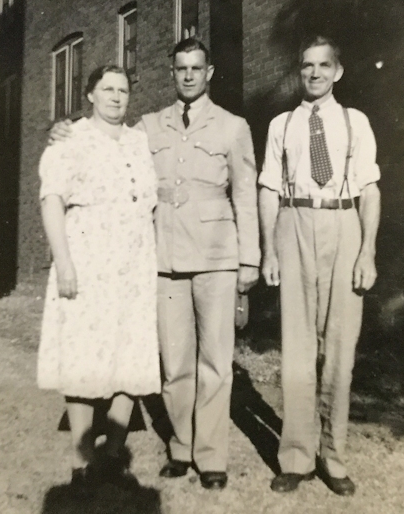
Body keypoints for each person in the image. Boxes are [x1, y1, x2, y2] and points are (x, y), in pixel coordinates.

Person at [49, 38, 261, 490]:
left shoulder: (233, 126)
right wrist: (59, 128)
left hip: (217, 257)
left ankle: (212, 457)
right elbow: (101, 131)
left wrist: (250, 259)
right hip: (163, 259)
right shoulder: (148, 125)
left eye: (196, 67)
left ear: (210, 72)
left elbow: (245, 193)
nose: (188, 75)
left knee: (216, 362)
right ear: (172, 74)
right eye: (180, 68)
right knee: (175, 362)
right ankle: (182, 448)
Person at [259, 36, 380, 496]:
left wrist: (367, 251)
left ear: (338, 71)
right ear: (299, 71)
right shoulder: (281, 124)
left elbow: (370, 189)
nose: (314, 73)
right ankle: (296, 456)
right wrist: (269, 249)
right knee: (296, 346)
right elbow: (268, 188)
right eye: (307, 66)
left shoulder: (356, 122)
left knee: (341, 350)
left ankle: (333, 456)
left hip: (344, 224)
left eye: (323, 65)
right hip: (294, 223)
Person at [38, 65, 160, 497]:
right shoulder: (70, 139)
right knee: (83, 360)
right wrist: (65, 263)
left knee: (131, 355)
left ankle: (113, 457)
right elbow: (52, 201)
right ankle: (81, 460)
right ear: (89, 95)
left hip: (135, 262)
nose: (115, 97)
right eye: (106, 89)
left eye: (123, 90)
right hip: (87, 259)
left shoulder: (139, 141)